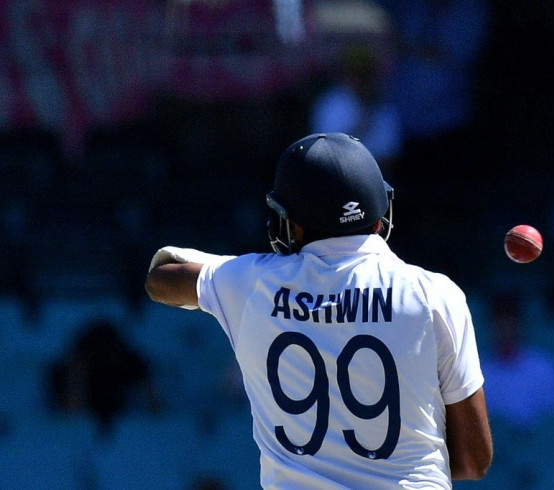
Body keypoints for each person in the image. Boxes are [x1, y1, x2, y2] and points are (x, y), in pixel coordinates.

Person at [145, 133, 492, 488]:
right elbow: (474, 460)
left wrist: (246, 270)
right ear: (379, 214)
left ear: (292, 224)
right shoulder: (435, 295)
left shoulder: (253, 284)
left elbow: (160, 279)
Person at [481, 292, 554, 431]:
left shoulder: (546, 368)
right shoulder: (477, 373)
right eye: (500, 321)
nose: (505, 328)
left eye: (510, 321)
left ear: (520, 324)